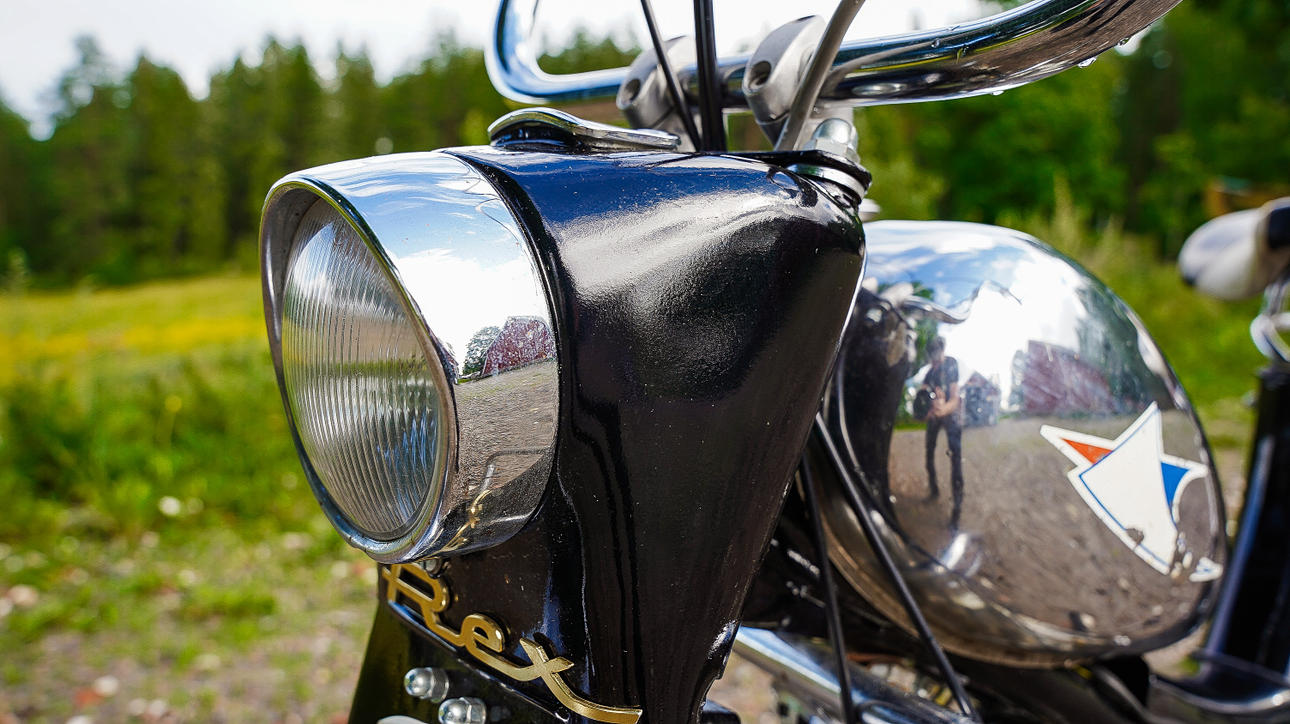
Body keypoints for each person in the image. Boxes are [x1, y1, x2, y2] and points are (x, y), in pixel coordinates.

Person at [922, 336, 964, 529]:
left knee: (956, 458)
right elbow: (922, 400)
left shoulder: (951, 364)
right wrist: (927, 409)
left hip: (950, 415)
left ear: (943, 350)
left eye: (937, 354)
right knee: (928, 452)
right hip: (935, 416)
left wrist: (943, 409)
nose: (935, 360)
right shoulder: (929, 373)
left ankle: (957, 508)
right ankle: (934, 491)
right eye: (932, 356)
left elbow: (955, 398)